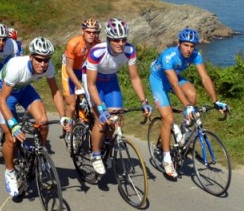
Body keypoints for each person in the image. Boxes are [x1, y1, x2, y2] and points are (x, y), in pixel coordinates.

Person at [148, 28, 228, 178]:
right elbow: (174, 85)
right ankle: (166, 159)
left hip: (175, 77)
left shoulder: (196, 55)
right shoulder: (168, 56)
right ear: (178, 43)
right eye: (186, 45)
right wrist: (187, 106)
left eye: (192, 46)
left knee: (192, 94)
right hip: (159, 81)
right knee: (168, 118)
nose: (189, 49)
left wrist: (215, 100)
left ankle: (183, 130)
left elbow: (204, 77)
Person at [0, 37, 66, 197]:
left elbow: (55, 92)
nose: (43, 64)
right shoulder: (17, 68)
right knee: (11, 138)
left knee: (43, 121)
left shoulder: (48, 67)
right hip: (6, 95)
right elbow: (1, 100)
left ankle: (40, 156)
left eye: (46, 60)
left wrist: (63, 116)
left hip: (24, 89)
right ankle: (10, 172)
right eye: (39, 60)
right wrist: (13, 124)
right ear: (31, 57)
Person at [85, 17, 153, 175]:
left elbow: (134, 78)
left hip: (111, 81)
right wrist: (101, 108)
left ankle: (107, 146)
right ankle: (95, 155)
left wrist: (144, 101)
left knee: (116, 118)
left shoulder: (129, 51)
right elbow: (91, 85)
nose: (121, 43)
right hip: (94, 83)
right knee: (101, 121)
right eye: (116, 40)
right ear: (109, 39)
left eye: (123, 39)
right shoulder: (97, 52)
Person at [59, 18, 101, 139]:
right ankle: (68, 131)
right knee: (72, 105)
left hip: (84, 70)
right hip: (69, 70)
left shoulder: (98, 43)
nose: (92, 35)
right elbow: (69, 69)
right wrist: (78, 85)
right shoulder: (73, 43)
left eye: (94, 32)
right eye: (88, 32)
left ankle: (83, 122)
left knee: (88, 100)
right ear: (83, 31)